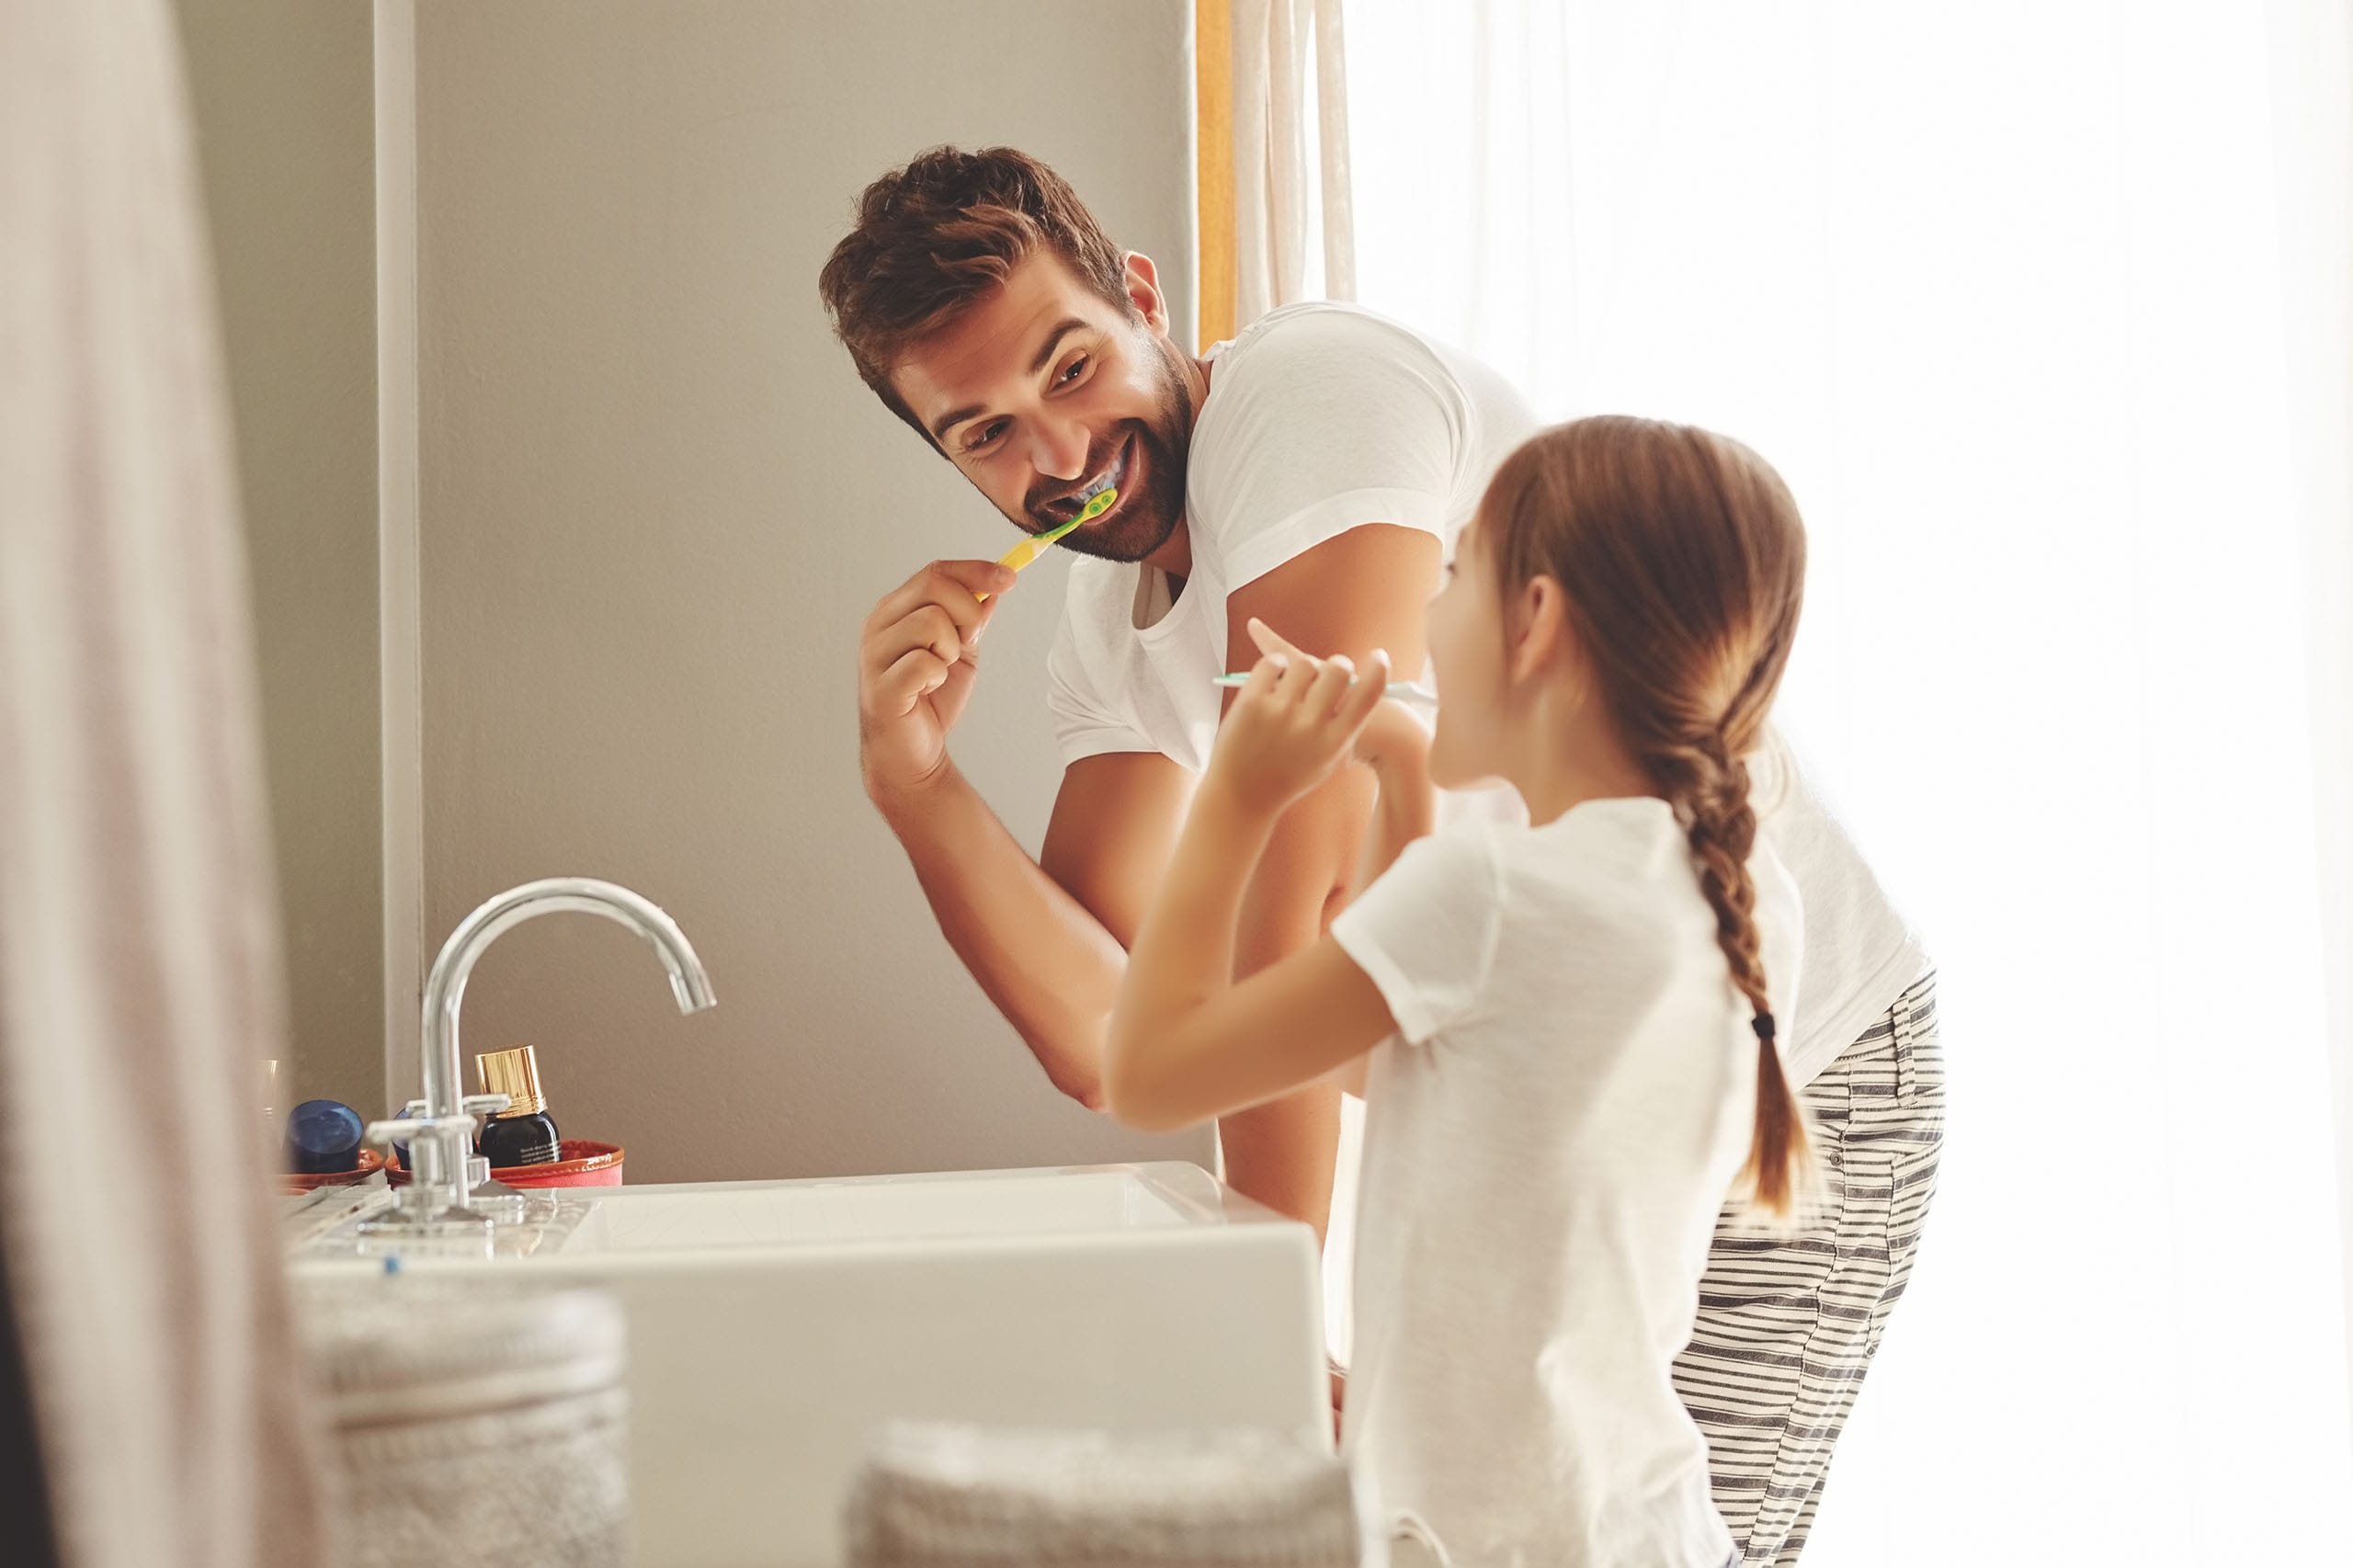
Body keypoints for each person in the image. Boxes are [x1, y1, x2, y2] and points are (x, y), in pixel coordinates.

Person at [820, 146, 1941, 1563]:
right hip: (1564, 1073)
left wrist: (1271, 1363)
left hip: (1797, 1052)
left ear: (1144, 301)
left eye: (1069, 367)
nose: (1057, 456)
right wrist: (913, 783)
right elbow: (1127, 1038)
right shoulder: (1109, 635)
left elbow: (1282, 937)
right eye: (983, 433)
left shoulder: (1305, 401)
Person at [1103, 415, 1810, 1566]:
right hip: (1644, 1529)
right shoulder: (1738, 892)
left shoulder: (1490, 895)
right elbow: (1408, 1060)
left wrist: (1236, 796)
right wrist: (1391, 768)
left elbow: (1145, 1072)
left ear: (1532, 621)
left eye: (1452, 572)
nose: (1426, 618)